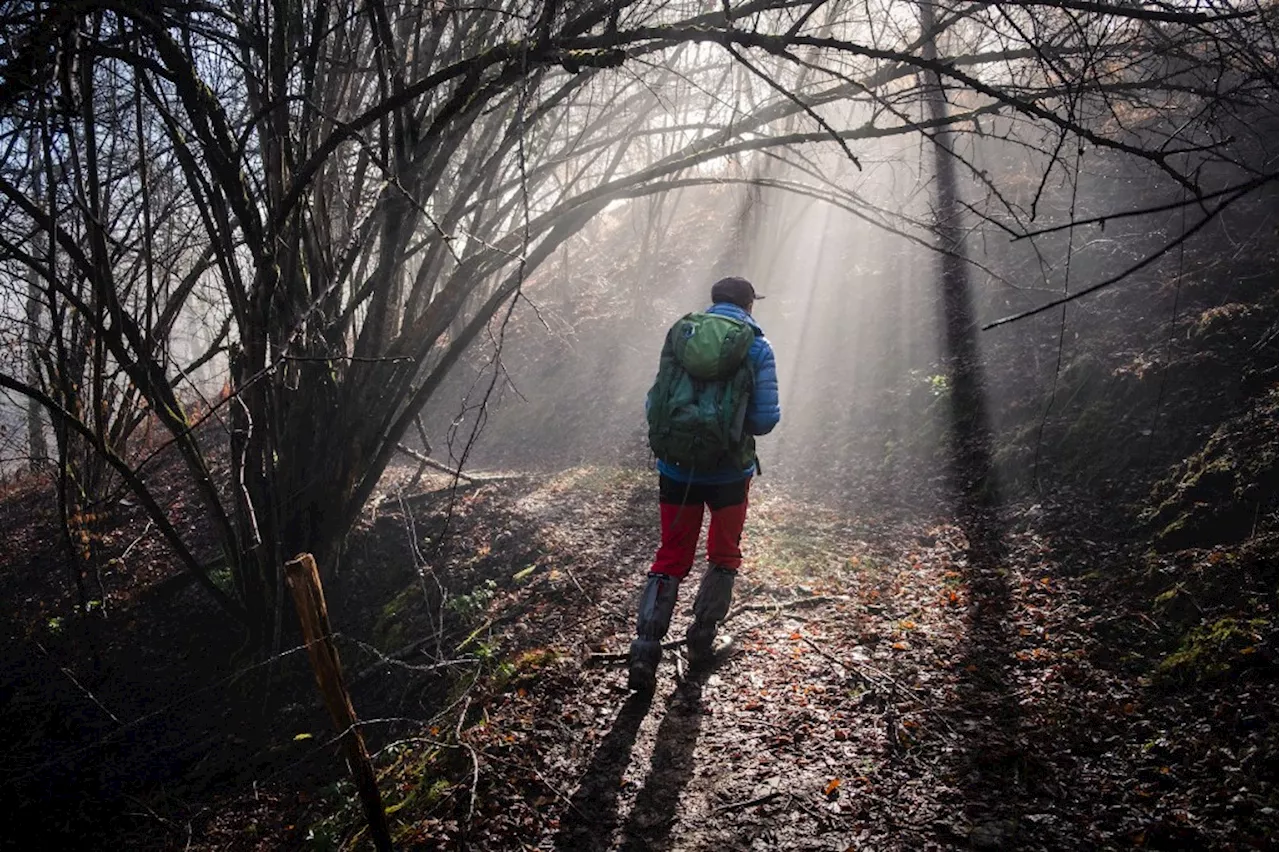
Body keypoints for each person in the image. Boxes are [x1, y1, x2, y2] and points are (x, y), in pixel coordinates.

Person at [629, 276, 781, 692]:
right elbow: (765, 420)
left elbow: (653, 401)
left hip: (677, 469)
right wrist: (730, 428)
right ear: (749, 305)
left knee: (671, 554)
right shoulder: (757, 346)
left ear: (714, 302)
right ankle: (701, 642)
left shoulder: (681, 335)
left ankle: (644, 649)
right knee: (724, 553)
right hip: (730, 472)